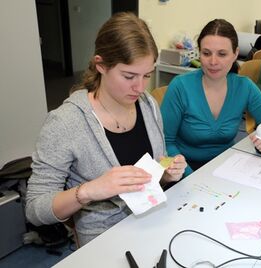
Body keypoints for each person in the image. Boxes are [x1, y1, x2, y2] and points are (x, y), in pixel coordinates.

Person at [25, 12, 187, 246]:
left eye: (147, 76)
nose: (140, 87)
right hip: (104, 239)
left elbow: (147, 182)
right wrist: (90, 190)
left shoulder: (147, 104)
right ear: (100, 65)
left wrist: (165, 174)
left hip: (152, 219)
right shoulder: (65, 123)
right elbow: (34, 208)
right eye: (129, 76)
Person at [161, 19, 261, 175]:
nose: (213, 62)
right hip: (184, 170)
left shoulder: (244, 87)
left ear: (235, 54)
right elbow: (164, 142)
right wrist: (188, 176)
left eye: (222, 54)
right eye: (206, 53)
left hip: (226, 167)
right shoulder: (180, 87)